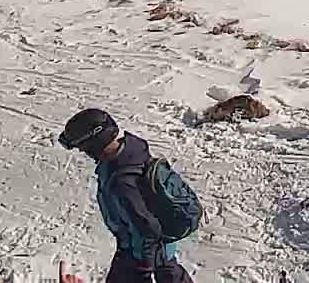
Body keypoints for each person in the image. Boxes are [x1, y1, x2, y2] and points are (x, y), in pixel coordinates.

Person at [59, 109, 202, 283]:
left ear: (93, 145)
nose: (84, 153)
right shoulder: (131, 153)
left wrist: (142, 267)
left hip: (143, 256)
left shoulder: (122, 182)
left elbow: (148, 227)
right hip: (151, 251)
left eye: (83, 148)